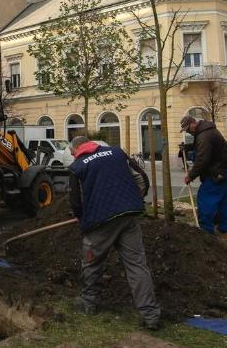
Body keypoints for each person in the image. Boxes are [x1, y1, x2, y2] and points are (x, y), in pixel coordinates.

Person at [68, 136, 161, 330]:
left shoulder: (77, 167)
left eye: (71, 153)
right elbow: (141, 179)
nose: (72, 156)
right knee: (137, 265)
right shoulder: (117, 153)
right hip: (129, 215)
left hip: (100, 221)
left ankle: (88, 302)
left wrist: (81, 217)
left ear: (77, 149)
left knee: (91, 261)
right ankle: (150, 315)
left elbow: (76, 201)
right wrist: (135, 199)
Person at [181, 116, 227, 234]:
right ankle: (225, 227)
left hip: (219, 172)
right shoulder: (206, 131)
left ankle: (206, 230)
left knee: (206, 197)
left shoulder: (203, 136)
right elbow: (206, 147)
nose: (187, 132)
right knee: (225, 198)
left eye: (187, 129)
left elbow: (202, 159)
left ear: (193, 123)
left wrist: (190, 176)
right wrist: (188, 147)